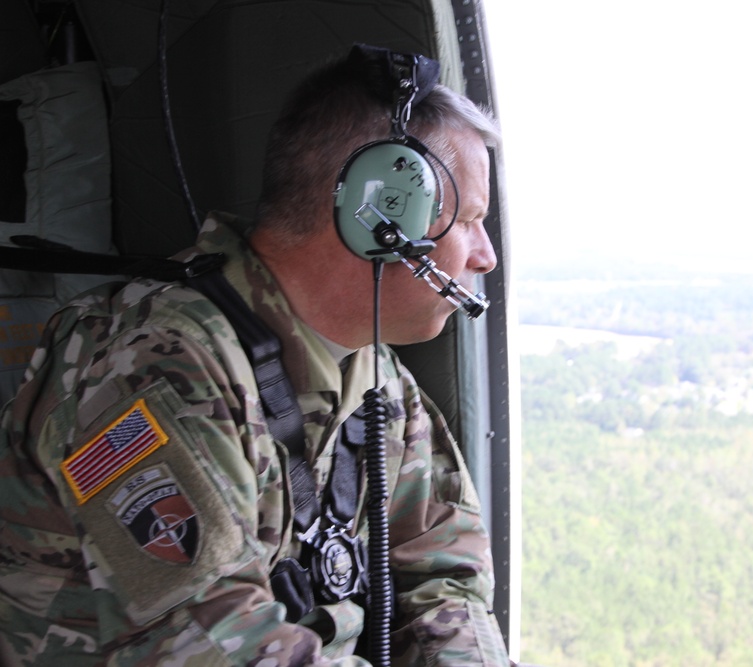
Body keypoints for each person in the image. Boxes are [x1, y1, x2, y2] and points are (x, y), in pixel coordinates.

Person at [0, 46, 511, 666]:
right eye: (472, 221)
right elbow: (209, 648)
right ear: (378, 219)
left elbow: (443, 576)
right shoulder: (150, 363)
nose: (484, 256)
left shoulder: (375, 377)